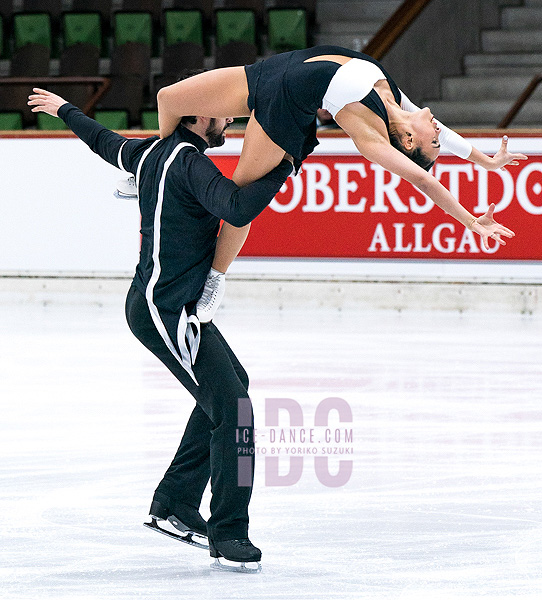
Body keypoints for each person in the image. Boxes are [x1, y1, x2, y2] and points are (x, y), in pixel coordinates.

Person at [27, 84, 293, 573]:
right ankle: (229, 532)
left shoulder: (149, 152)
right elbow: (235, 208)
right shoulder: (188, 162)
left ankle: (174, 502)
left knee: (232, 393)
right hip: (163, 308)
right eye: (222, 116)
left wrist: (64, 109)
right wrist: (282, 165)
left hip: (168, 307)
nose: (228, 122)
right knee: (234, 410)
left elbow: (100, 139)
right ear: (196, 116)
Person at [157, 45, 525, 317]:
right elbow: (443, 134)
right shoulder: (399, 103)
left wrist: (471, 221)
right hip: (270, 71)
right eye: (437, 138)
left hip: (282, 109)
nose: (437, 129)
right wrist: (486, 162)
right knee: (169, 99)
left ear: (409, 143)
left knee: (238, 203)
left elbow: (425, 182)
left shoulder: (372, 138)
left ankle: (214, 280)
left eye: (433, 140)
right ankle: (154, 167)